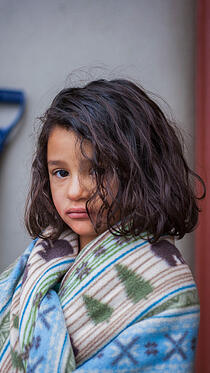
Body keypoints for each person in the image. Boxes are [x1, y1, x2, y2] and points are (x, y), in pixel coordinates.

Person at [0, 78, 205, 372]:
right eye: (60, 172)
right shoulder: (40, 258)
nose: (75, 190)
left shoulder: (165, 286)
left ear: (139, 170)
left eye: (96, 170)